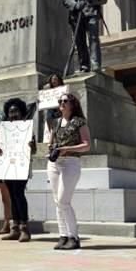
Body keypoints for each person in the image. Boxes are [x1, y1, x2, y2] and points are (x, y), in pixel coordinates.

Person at [47, 92, 91, 250]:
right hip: (55, 163)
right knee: (57, 201)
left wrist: (67, 148)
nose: (62, 103)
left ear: (73, 104)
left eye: (65, 101)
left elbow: (86, 145)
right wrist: (51, 148)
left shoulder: (79, 122)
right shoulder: (56, 123)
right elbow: (51, 142)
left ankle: (74, 237)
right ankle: (63, 235)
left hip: (71, 162)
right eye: (60, 101)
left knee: (63, 200)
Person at [0, 97, 37, 243]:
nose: (13, 114)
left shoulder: (27, 128)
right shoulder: (4, 130)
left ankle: (25, 228)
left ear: (22, 112)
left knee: (19, 194)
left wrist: (32, 146)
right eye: (11, 112)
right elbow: (1, 149)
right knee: (12, 195)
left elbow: (34, 150)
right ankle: (15, 228)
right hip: (8, 166)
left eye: (16, 111)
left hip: (21, 166)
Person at [63, 0, 107, 74]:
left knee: (93, 39)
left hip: (91, 14)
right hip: (76, 16)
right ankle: (84, 65)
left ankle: (95, 64)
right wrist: (75, 5)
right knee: (80, 41)